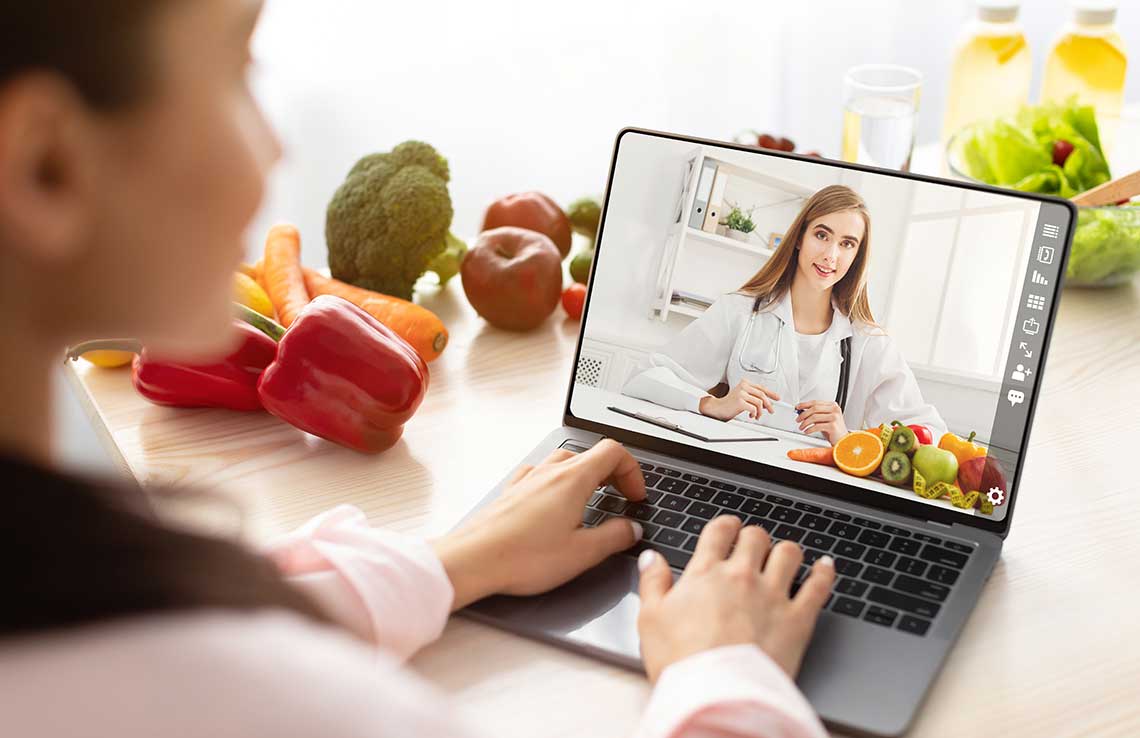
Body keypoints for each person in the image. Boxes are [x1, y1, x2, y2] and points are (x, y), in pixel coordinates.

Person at [0, 1, 837, 736]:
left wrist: (452, 562)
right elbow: (657, 381)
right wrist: (724, 674)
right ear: (47, 167)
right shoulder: (290, 704)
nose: (272, 149)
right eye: (233, 64)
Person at [624, 185, 948, 444]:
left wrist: (846, 437)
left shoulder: (869, 343)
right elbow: (642, 377)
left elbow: (928, 432)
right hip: (733, 472)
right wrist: (713, 405)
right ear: (799, 239)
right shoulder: (738, 311)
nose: (830, 255)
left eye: (847, 243)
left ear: (857, 256)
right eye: (822, 235)